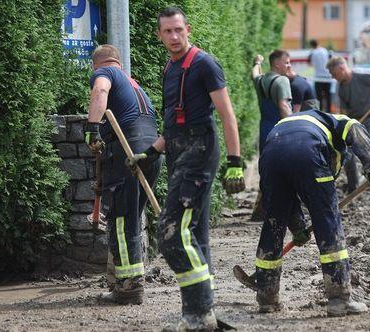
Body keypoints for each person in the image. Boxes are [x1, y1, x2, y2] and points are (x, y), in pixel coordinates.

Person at [128, 7, 245, 330]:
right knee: (195, 236)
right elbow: (173, 123)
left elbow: (227, 115)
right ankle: (199, 315)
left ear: (188, 29)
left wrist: (235, 163)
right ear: (159, 35)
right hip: (178, 152)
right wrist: (150, 152)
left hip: (200, 153)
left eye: (179, 30)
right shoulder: (170, 68)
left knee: (169, 233)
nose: (174, 37)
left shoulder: (204, 64)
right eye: (167, 31)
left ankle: (199, 313)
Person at [254, 109, 370, 317]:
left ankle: (266, 297)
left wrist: (298, 226)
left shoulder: (298, 122)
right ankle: (339, 299)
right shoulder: (338, 122)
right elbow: (355, 128)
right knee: (327, 222)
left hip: (270, 156)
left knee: (274, 221)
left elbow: (287, 200)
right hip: (308, 153)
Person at [84, 44, 162, 305]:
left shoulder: (104, 73)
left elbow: (100, 90)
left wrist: (93, 129)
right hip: (150, 152)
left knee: (119, 219)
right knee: (130, 217)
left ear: (99, 64)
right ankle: (129, 279)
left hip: (127, 150)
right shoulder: (134, 84)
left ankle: (128, 286)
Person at [326, 56, 370, 204]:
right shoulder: (341, 87)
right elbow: (344, 111)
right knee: (347, 155)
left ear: (341, 68)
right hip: (355, 123)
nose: (333, 78)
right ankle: (352, 188)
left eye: (334, 74)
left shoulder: (362, 74)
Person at [249, 50, 293, 222]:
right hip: (280, 130)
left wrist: (257, 62)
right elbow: (284, 106)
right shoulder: (282, 81)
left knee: (267, 170)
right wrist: (292, 129)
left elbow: (254, 74)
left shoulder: (261, 80)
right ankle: (282, 210)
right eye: (287, 62)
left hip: (265, 130)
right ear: (276, 64)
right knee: (286, 170)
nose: (289, 66)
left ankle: (264, 208)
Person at [308, 39, 332, 112]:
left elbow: (310, 63)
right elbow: (330, 58)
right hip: (328, 76)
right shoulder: (325, 50)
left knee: (319, 97)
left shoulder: (313, 52)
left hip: (318, 77)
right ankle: (329, 112)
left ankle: (320, 112)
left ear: (311, 45)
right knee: (328, 96)